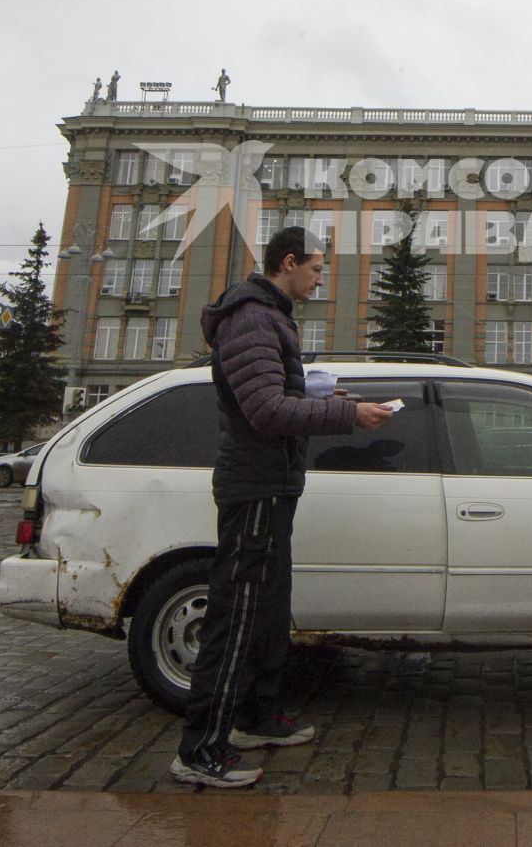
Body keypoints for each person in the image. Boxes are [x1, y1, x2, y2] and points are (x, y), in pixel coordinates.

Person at [172, 226, 392, 789]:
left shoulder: (271, 317)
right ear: (288, 262)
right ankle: (199, 750)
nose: (321, 278)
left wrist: (320, 400)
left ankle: (255, 718)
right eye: (317, 268)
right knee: (236, 615)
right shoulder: (251, 317)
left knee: (267, 612)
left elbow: (272, 399)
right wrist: (347, 416)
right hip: (255, 489)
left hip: (274, 484)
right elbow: (265, 411)